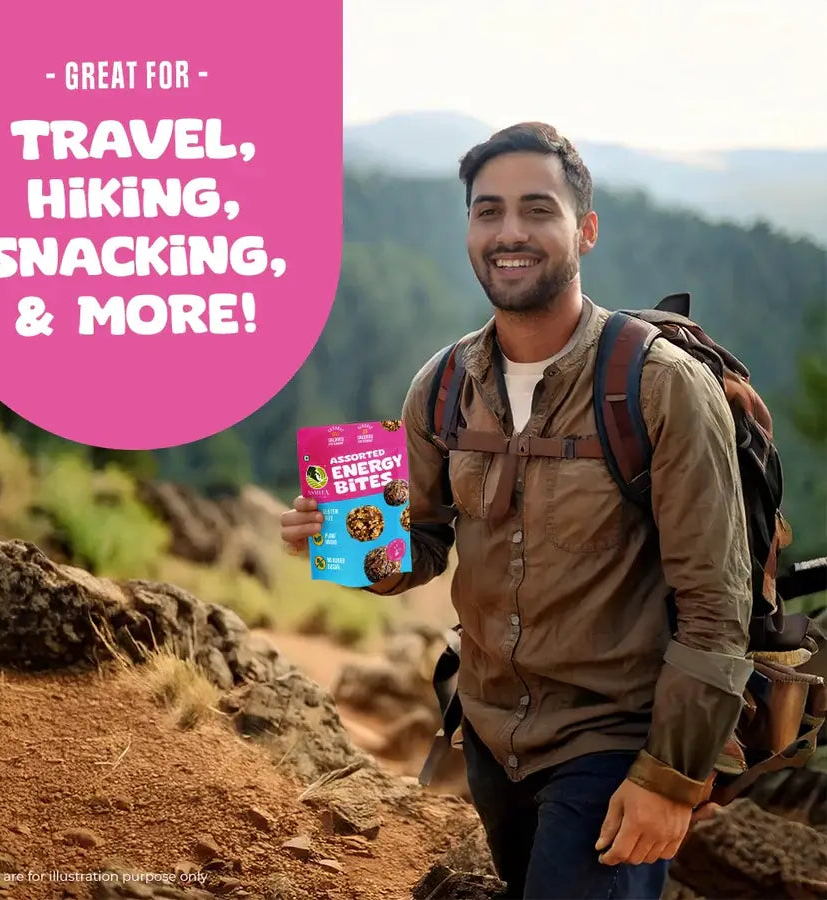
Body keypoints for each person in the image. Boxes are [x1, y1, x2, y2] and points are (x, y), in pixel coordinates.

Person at [280, 122, 752, 900]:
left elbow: (716, 604)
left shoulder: (659, 386)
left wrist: (669, 776)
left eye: (538, 209)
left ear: (585, 231)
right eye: (487, 210)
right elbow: (424, 543)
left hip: (615, 741)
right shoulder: (442, 384)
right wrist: (339, 538)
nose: (510, 233)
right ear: (468, 227)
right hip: (491, 739)